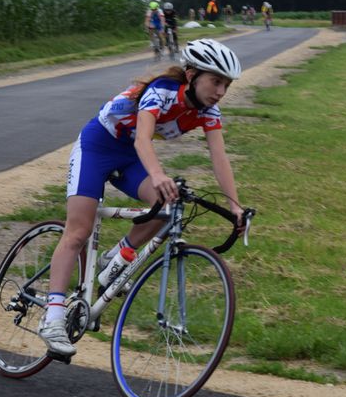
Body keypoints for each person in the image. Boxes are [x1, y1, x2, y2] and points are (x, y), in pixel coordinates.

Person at [37, 39, 245, 357]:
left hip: (129, 157)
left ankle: (117, 259)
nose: (220, 91)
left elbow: (219, 156)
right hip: (98, 146)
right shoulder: (162, 90)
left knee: (169, 207)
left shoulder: (208, 112)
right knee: (78, 230)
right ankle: (52, 317)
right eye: (216, 81)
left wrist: (235, 205)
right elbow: (143, 139)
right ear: (191, 75)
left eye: (226, 85)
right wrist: (159, 175)